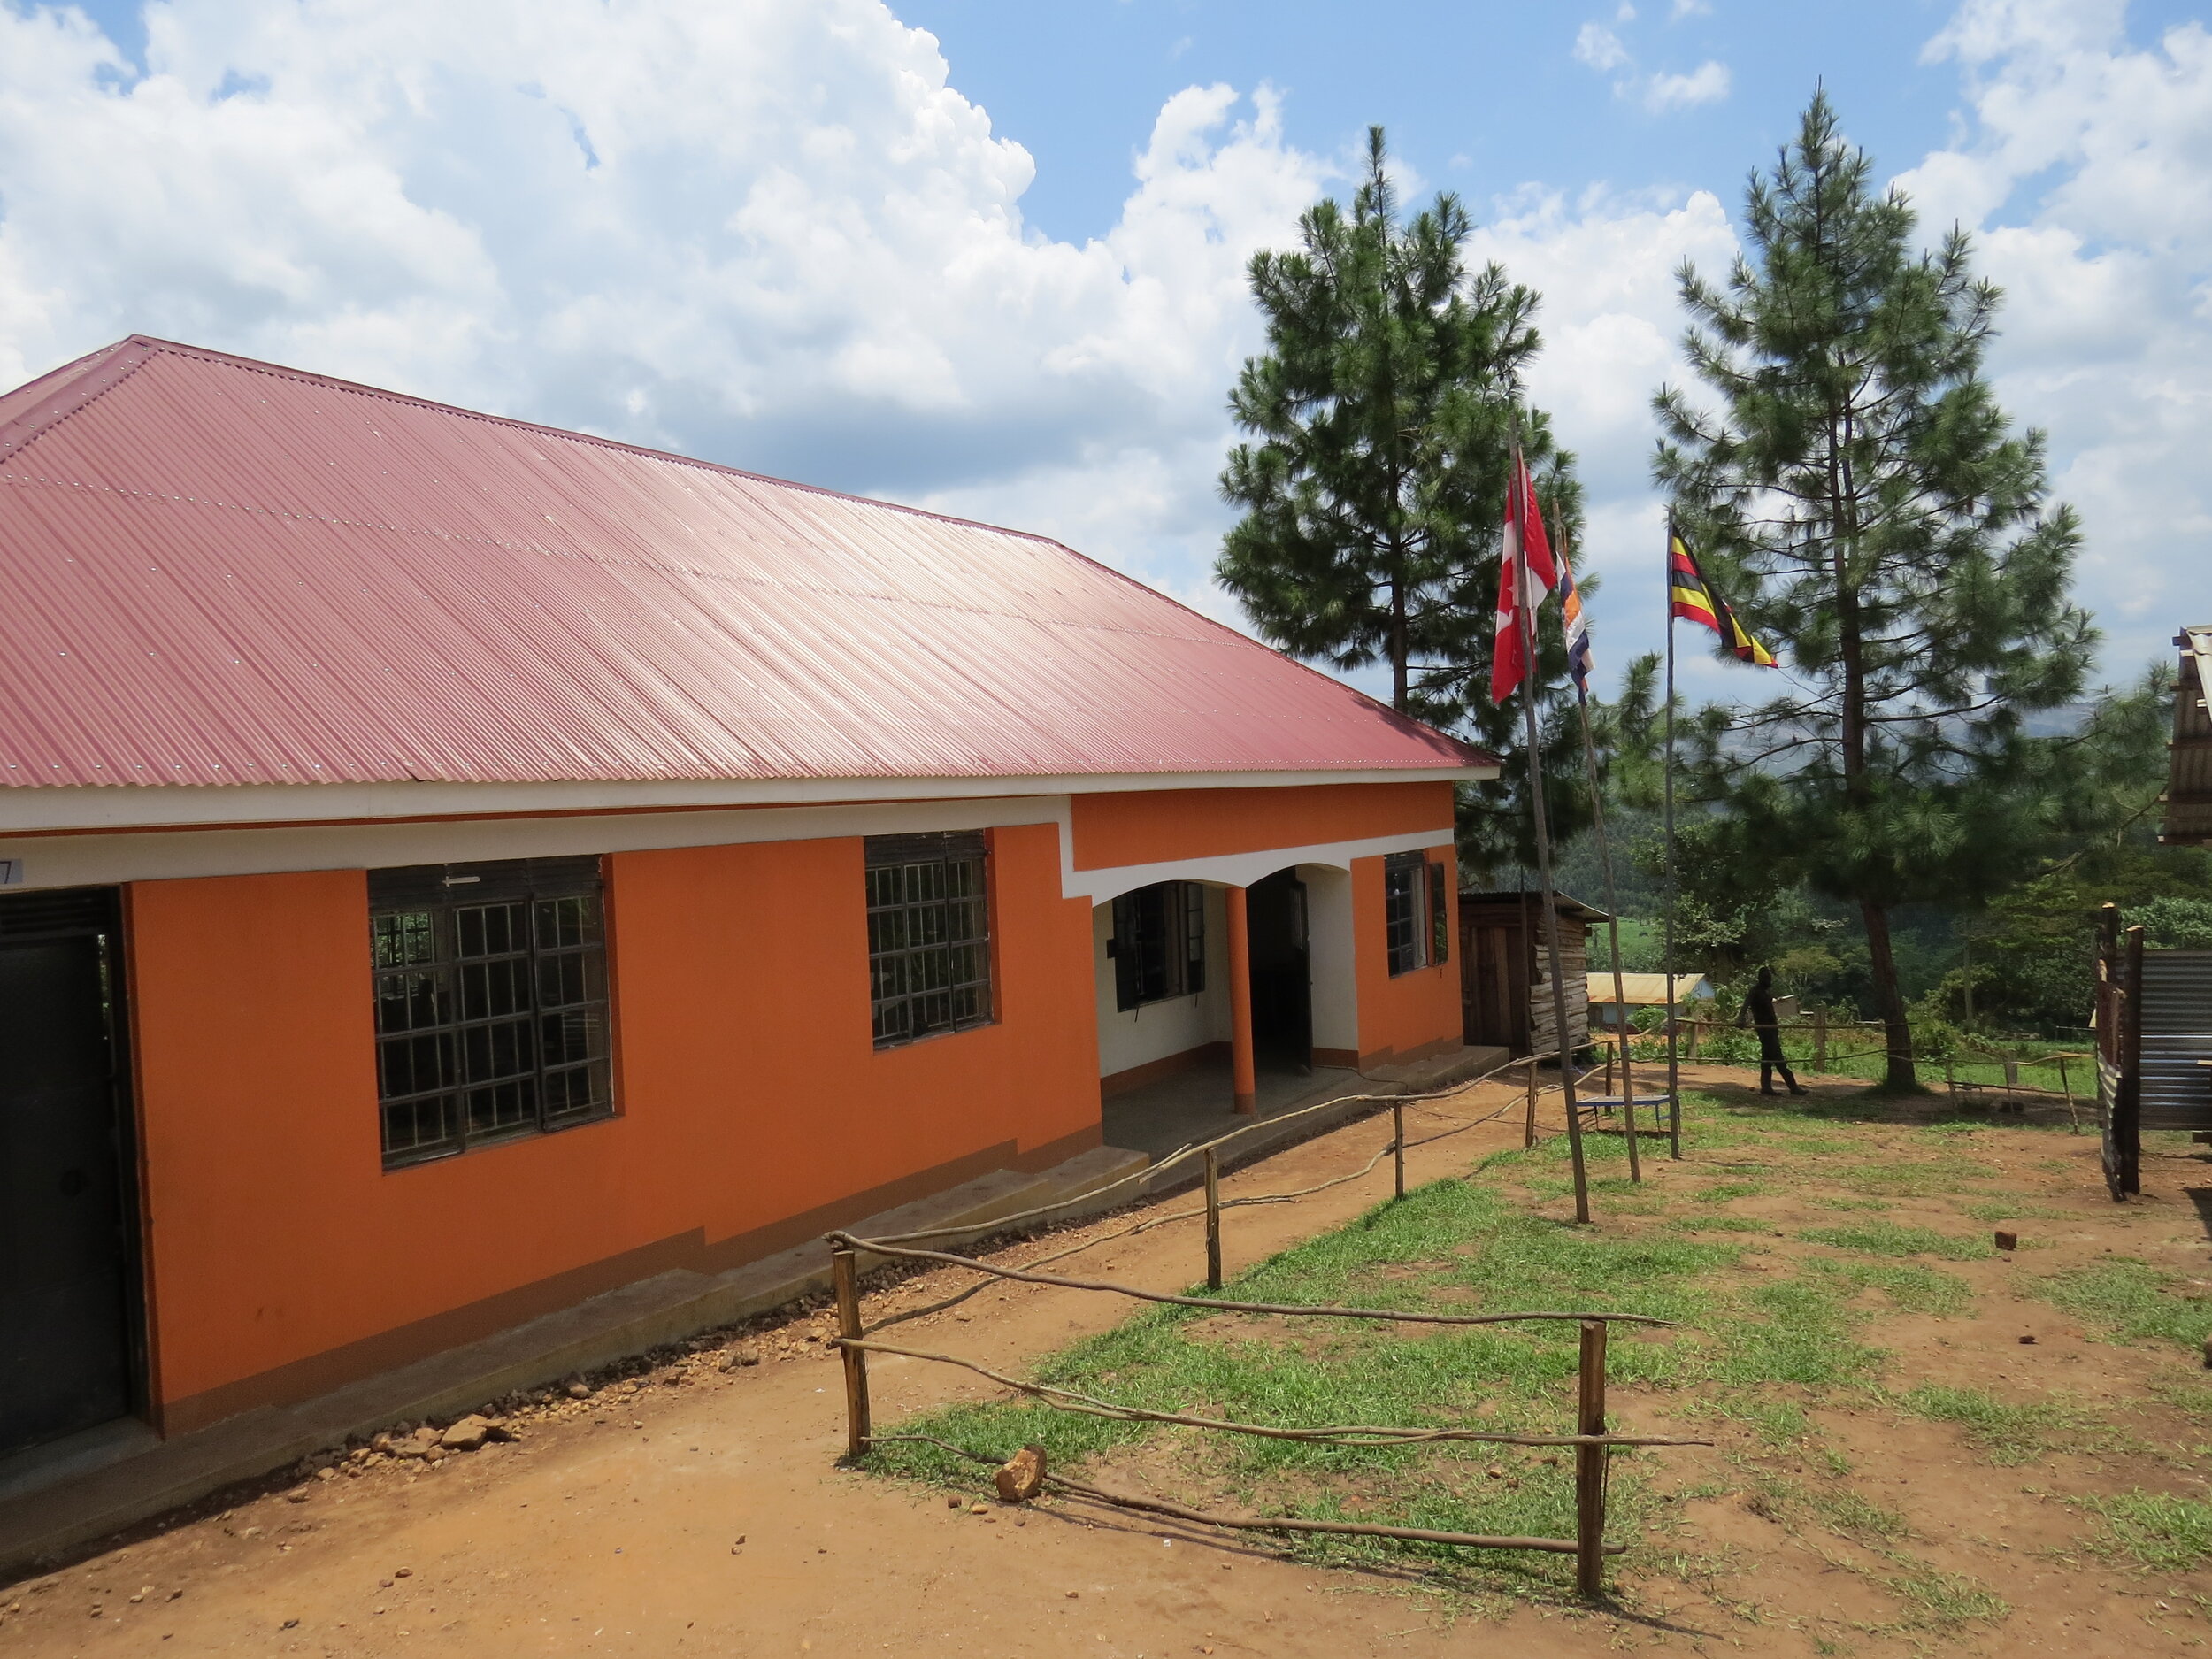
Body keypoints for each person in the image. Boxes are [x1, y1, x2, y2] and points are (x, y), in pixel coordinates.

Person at [1738, 965, 1808, 1097]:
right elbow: (1745, 1005)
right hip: (1765, 1030)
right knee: (1779, 1059)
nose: (1769, 981)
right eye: (1766, 978)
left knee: (1767, 1058)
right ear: (1760, 979)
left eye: (1769, 978)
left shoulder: (1766, 993)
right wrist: (1740, 1019)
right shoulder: (1755, 991)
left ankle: (1766, 1087)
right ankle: (1793, 1087)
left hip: (1772, 1030)